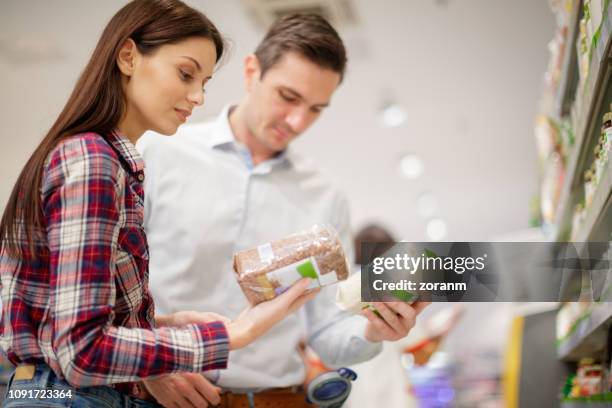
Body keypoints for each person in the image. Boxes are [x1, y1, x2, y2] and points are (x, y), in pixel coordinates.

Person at [0, 1, 316, 407]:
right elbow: (79, 351)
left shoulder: (110, 160)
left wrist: (160, 325)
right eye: (186, 74)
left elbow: (70, 317)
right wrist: (235, 334)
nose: (198, 96)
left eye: (204, 83)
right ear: (128, 56)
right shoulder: (94, 160)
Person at [138, 13, 429, 407]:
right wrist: (150, 365)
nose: (296, 121)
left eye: (315, 109)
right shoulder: (159, 152)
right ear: (252, 71)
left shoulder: (325, 197)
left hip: (276, 399)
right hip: (162, 394)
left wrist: (374, 332)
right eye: (288, 97)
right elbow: (111, 287)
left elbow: (326, 332)